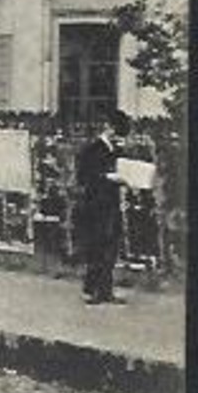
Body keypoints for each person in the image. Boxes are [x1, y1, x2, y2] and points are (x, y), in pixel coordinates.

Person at [77, 111, 130, 305]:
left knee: (111, 248)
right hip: (96, 205)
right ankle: (91, 290)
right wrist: (108, 178)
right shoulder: (92, 149)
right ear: (108, 128)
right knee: (97, 247)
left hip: (112, 204)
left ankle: (106, 290)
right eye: (117, 132)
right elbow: (83, 176)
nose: (118, 137)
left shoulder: (115, 151)